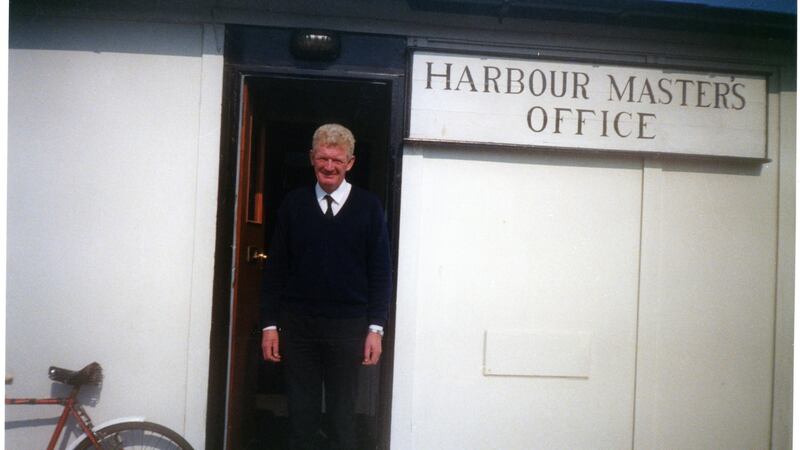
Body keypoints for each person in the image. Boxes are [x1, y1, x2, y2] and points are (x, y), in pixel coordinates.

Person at [260, 123, 392, 450]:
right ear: (311, 158)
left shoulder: (369, 207)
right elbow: (275, 269)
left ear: (350, 162)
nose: (329, 166)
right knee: (300, 417)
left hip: (348, 327)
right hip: (298, 326)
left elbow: (380, 271)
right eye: (322, 158)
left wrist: (376, 328)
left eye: (337, 159)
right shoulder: (293, 204)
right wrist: (269, 325)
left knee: (342, 416)